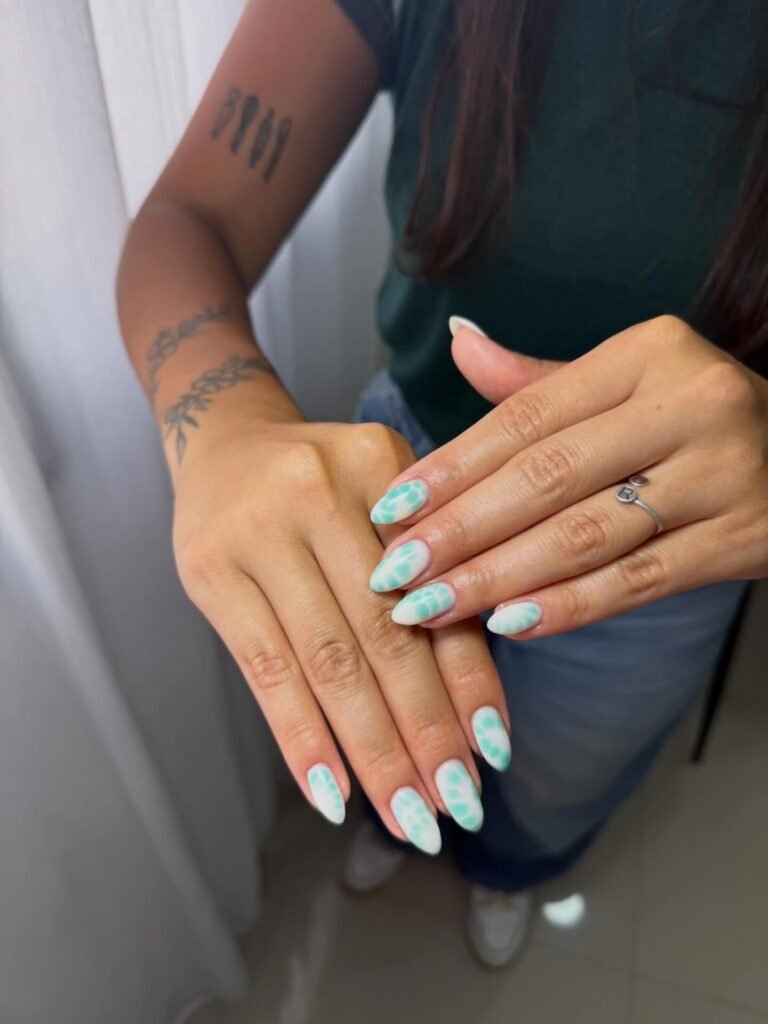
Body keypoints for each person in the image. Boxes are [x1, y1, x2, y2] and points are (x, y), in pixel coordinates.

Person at [117, 0, 768, 968]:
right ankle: (403, 817)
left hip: (672, 539)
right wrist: (219, 421)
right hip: (406, 481)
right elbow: (189, 215)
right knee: (395, 726)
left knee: (556, 779)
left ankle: (508, 868)